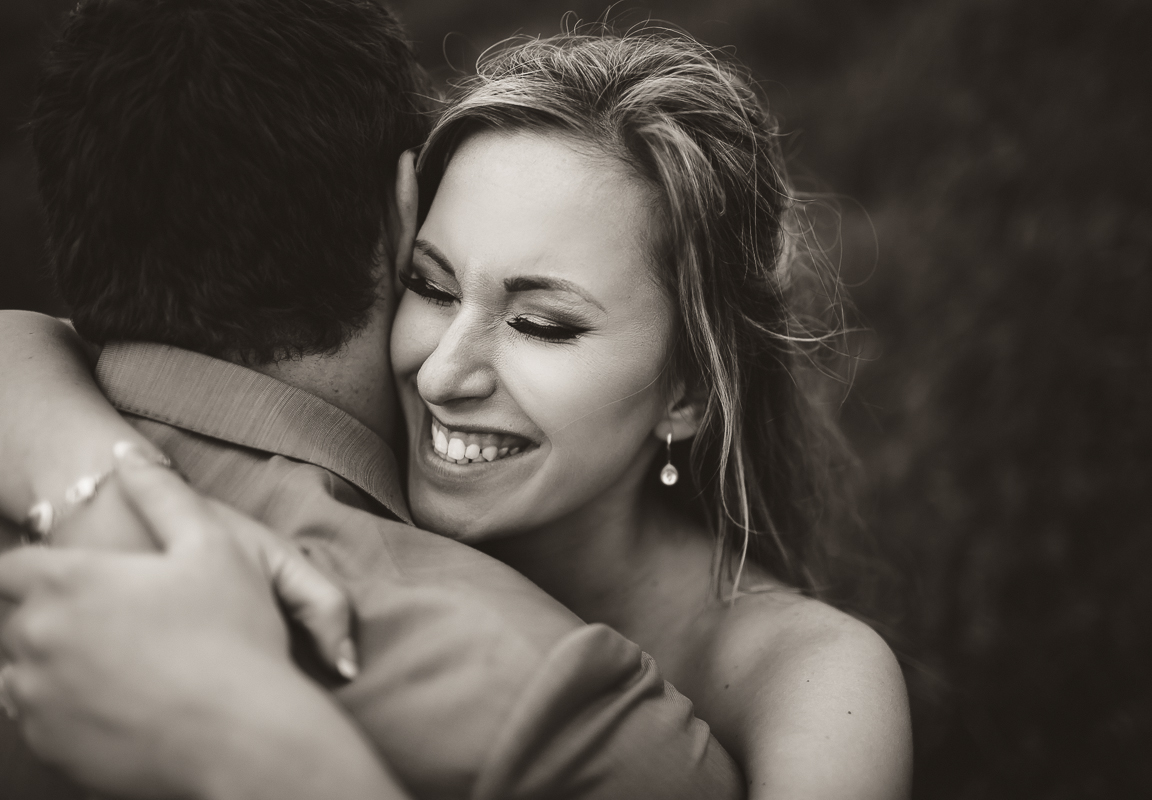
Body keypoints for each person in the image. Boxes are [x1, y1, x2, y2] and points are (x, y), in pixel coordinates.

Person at [0, 17, 912, 800]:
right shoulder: (364, 460)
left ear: (689, 393)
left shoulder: (816, 677)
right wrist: (107, 496)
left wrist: (254, 739)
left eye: (542, 323)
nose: (442, 373)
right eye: (429, 286)